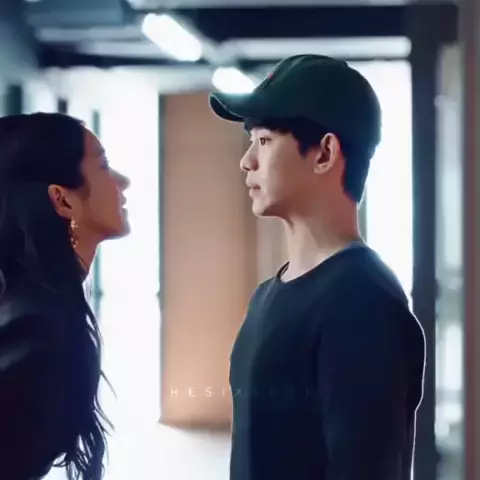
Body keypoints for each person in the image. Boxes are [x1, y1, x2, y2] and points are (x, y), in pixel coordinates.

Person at [209, 54, 426, 480]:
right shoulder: (269, 294)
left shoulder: (362, 303)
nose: (247, 161)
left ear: (325, 152)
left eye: (265, 141)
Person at [0, 112, 130, 479]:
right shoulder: (35, 332)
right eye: (103, 165)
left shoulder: (31, 306)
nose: (123, 181)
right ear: (63, 200)